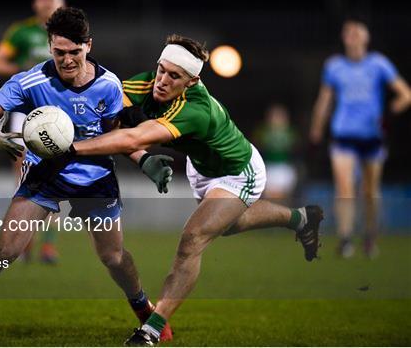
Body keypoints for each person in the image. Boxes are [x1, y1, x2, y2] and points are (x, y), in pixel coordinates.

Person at [0, 7, 173, 341]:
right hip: (44, 173)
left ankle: (143, 309)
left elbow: (116, 136)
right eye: (59, 52)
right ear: (50, 47)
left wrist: (143, 160)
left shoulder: (109, 85)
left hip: (94, 175)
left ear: (89, 46)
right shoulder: (29, 80)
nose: (67, 60)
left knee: (113, 256)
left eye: (74, 52)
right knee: (7, 250)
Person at [69, 34, 324, 346]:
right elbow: (108, 111)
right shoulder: (147, 83)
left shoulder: (196, 110)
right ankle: (301, 219)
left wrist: (71, 148)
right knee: (227, 227)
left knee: (193, 238)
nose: (162, 80)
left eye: (174, 76)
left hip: (238, 172)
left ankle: (152, 328)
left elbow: (133, 139)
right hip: (200, 169)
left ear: (192, 81)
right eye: (161, 69)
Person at [310, 17, 411, 258]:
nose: (352, 35)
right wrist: (317, 127)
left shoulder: (378, 64)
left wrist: (388, 114)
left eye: (357, 31)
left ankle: (370, 236)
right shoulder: (334, 66)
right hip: (343, 134)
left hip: (372, 137)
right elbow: (325, 99)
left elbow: (406, 95)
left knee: (370, 190)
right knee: (344, 187)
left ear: (366, 37)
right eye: (348, 32)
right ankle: (345, 238)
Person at [0, 0, 66, 264]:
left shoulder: (68, 32)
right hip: (23, 110)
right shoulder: (21, 32)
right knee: (24, 175)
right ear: (35, 4)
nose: (46, 3)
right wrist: (25, 72)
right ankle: (24, 242)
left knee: (55, 176)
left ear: (61, 4)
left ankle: (48, 245)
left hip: (58, 115)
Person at [253, 103, 298, 200]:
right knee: (270, 198)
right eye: (274, 116)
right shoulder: (263, 131)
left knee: (285, 198)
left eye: (281, 116)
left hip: (285, 168)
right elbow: (255, 147)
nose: (277, 119)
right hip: (269, 167)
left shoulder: (290, 132)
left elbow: (296, 148)